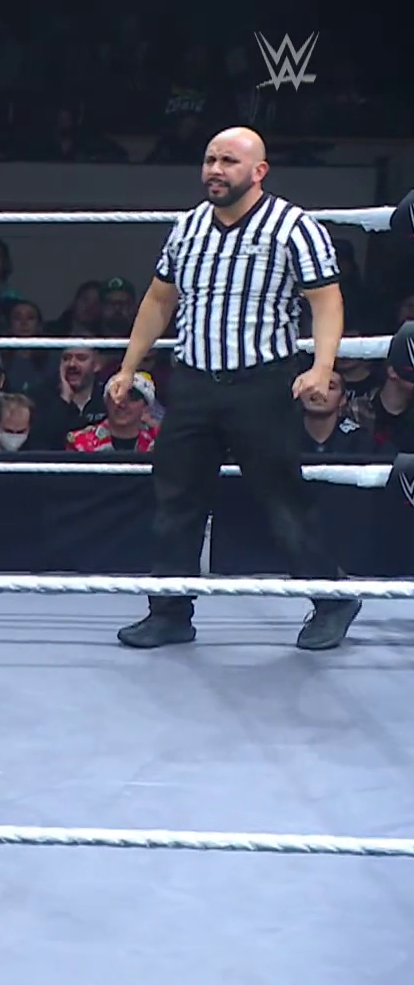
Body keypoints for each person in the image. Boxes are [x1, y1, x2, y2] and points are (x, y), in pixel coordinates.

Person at [108, 126, 360, 651]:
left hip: (260, 384)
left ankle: (333, 598)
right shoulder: (188, 227)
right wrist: (129, 367)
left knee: (281, 500)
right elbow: (158, 300)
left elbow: (326, 301)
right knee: (175, 500)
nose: (215, 170)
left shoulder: (293, 226)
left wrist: (322, 366)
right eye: (210, 160)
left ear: (259, 171)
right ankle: (169, 612)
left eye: (228, 161)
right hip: (194, 383)